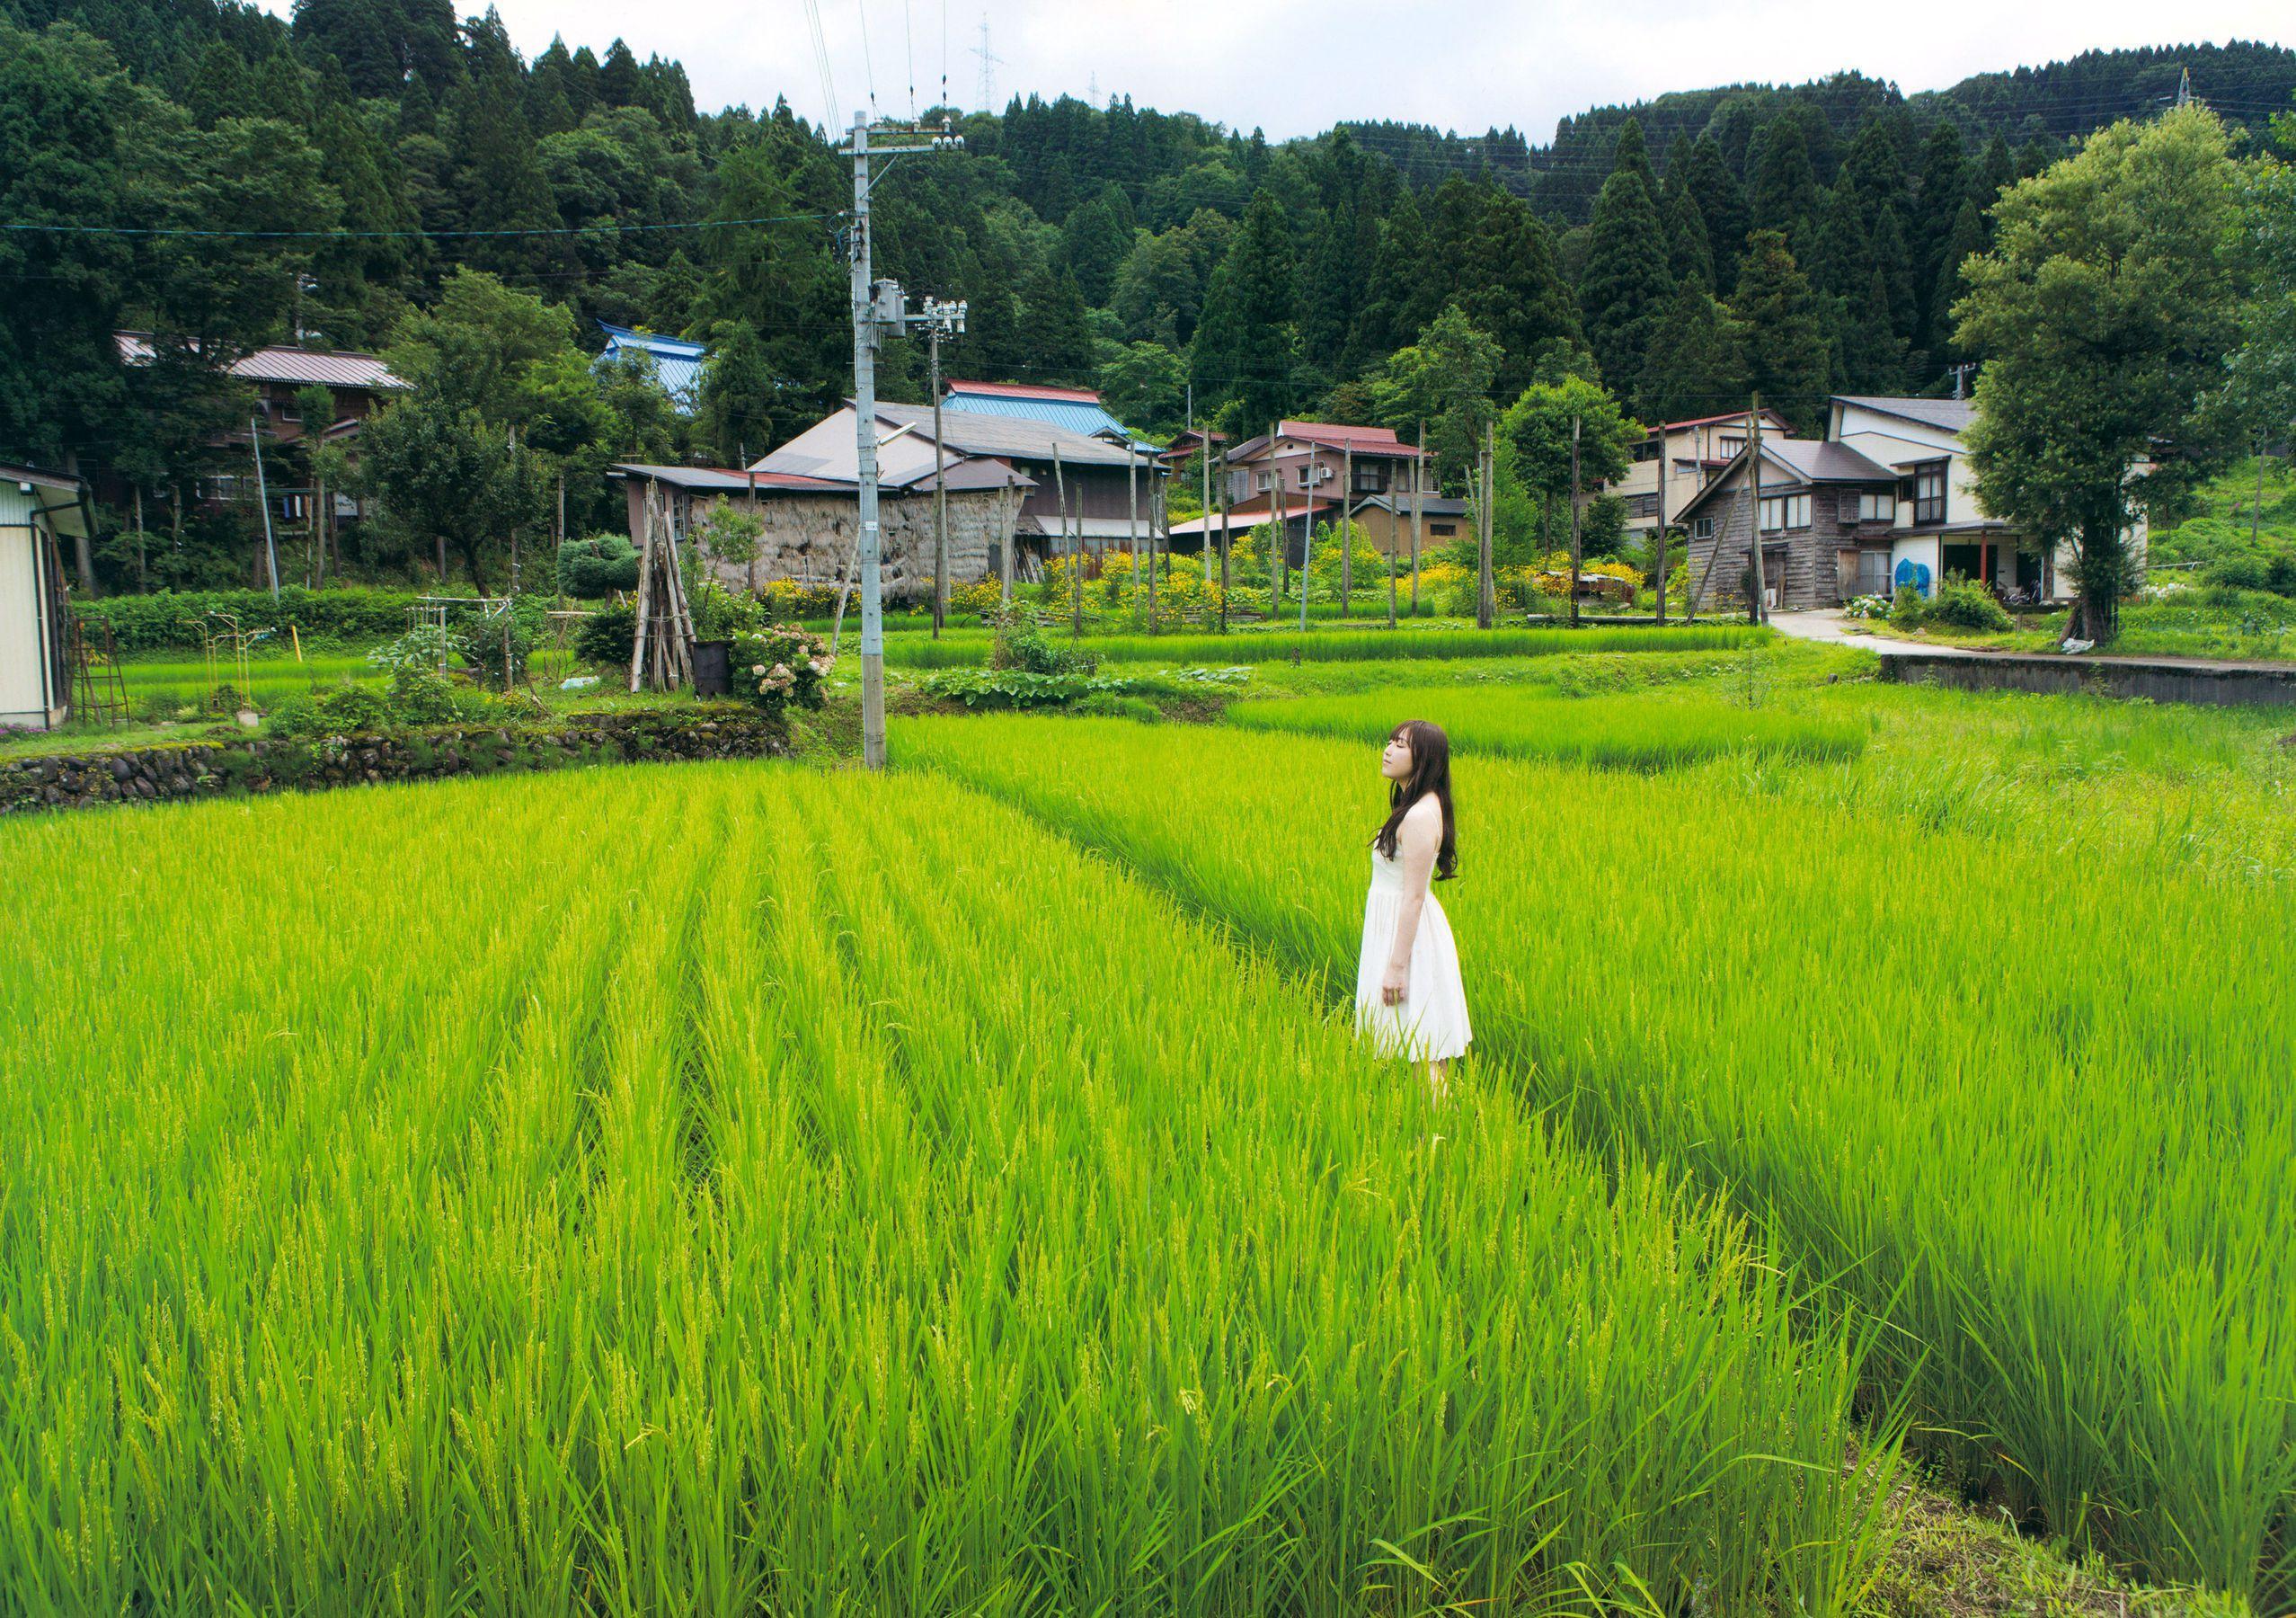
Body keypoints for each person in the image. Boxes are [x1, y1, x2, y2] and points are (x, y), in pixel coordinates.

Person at [1355, 719, 1470, 1099]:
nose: (1388, 749)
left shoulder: (1420, 815)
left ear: (1425, 758)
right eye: (1389, 741)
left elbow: (1414, 896)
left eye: (1400, 745)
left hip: (1410, 941)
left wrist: (1396, 966)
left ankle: (1445, 1142)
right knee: (1424, 1050)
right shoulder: (1415, 805)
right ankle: (1439, 1139)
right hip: (1403, 933)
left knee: (1424, 1049)